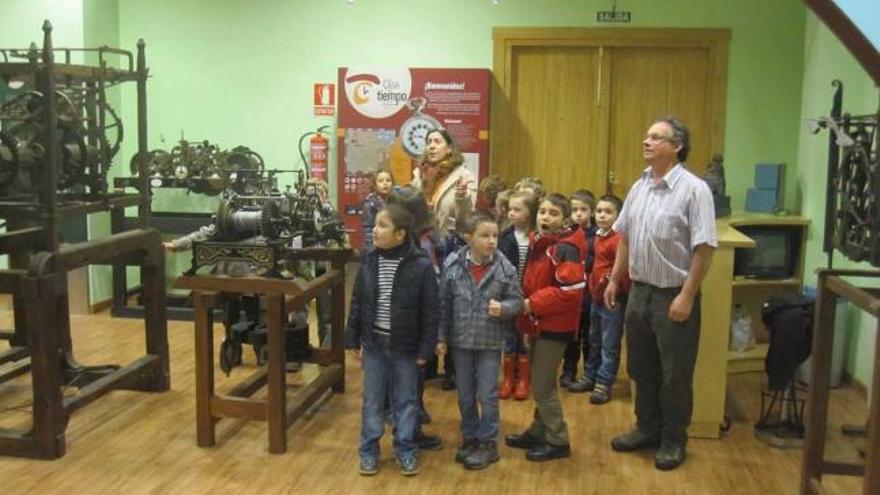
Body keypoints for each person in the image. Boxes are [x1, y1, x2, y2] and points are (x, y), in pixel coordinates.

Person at [605, 116, 716, 471]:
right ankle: (646, 429)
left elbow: (704, 247)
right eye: (647, 136)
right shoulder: (640, 186)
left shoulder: (695, 190)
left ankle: (673, 440)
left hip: (673, 295)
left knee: (675, 374)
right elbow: (624, 236)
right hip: (639, 293)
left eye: (656, 137)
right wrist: (613, 279)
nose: (647, 142)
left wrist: (687, 295)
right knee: (640, 367)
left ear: (677, 145)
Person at [345, 204, 439, 477]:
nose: (374, 230)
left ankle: (406, 450)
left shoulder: (421, 265)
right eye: (375, 224)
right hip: (374, 345)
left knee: (406, 402)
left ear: (400, 234)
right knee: (372, 401)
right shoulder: (370, 260)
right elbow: (358, 301)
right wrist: (352, 338)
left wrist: (425, 348)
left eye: (382, 226)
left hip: (406, 348)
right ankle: (369, 451)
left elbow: (431, 311)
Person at [504, 193, 587, 462]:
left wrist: (531, 304)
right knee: (545, 382)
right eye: (542, 212)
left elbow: (571, 291)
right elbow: (532, 281)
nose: (545, 217)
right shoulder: (540, 244)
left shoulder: (565, 249)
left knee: (541, 386)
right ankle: (539, 430)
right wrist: (527, 319)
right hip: (539, 322)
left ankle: (558, 439)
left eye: (552, 213)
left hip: (555, 326)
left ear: (564, 219)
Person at [437, 213, 523, 470]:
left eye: (495, 236)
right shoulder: (452, 265)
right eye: (485, 235)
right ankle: (470, 436)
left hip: (489, 342)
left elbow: (518, 300)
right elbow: (443, 305)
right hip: (460, 342)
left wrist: (504, 308)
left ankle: (488, 443)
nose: (492, 241)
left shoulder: (505, 268)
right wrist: (441, 337)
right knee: (464, 395)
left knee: (487, 395)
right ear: (468, 238)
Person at [583, 194, 629, 404]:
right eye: (599, 210)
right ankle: (590, 376)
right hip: (596, 296)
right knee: (594, 339)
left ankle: (604, 382)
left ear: (619, 216)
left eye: (608, 211)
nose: (602, 215)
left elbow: (621, 268)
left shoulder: (619, 238)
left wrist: (606, 280)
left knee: (609, 343)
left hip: (612, 299)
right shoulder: (598, 236)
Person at [497, 190, 539, 400]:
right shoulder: (504, 236)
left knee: (525, 338)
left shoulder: (538, 237)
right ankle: (507, 379)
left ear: (530, 212)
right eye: (510, 209)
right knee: (508, 337)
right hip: (508, 296)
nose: (511, 213)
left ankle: (523, 379)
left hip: (530, 296)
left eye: (517, 209)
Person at [561, 189, 597, 391]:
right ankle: (568, 371)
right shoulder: (567, 235)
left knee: (589, 337)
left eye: (583, 209)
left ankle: (589, 374)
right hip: (572, 296)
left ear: (591, 212)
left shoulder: (597, 235)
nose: (579, 214)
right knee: (571, 337)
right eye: (574, 209)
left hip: (591, 294)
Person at [411, 128, 476, 238]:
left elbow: (466, 219)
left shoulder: (463, 176)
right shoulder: (419, 174)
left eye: (437, 142)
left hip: (448, 242)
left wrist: (462, 198)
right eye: (429, 142)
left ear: (449, 149)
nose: (431, 146)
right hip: (421, 240)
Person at [362, 169, 395, 252]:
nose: (385, 183)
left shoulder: (396, 201)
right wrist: (370, 248)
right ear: (374, 185)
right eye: (380, 181)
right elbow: (368, 228)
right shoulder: (370, 203)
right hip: (376, 245)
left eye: (388, 180)